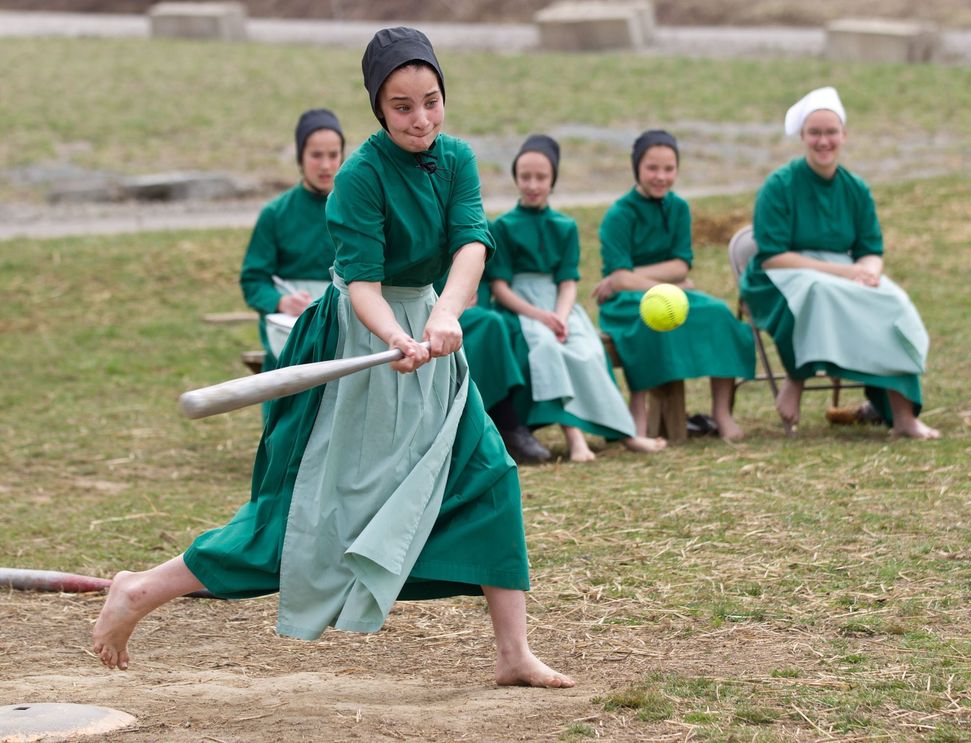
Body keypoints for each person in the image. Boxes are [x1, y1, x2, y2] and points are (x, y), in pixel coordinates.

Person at [92, 27, 574, 689]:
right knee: (306, 517)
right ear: (379, 107)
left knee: (489, 475)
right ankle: (142, 589)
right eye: (402, 106)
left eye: (431, 100)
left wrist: (440, 315)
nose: (421, 118)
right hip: (358, 334)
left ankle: (512, 651)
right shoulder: (358, 178)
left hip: (430, 332)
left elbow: (471, 246)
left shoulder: (456, 158)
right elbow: (365, 286)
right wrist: (396, 338)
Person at [741, 86, 939, 439]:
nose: (823, 141)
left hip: (843, 271)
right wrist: (844, 272)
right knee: (818, 292)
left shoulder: (855, 188)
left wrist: (868, 275)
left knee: (892, 302)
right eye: (814, 132)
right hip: (782, 275)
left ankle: (903, 414)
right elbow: (772, 256)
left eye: (830, 132)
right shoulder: (780, 185)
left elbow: (870, 248)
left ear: (844, 135)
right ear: (803, 136)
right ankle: (796, 377)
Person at [488, 134, 667, 462]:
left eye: (541, 177)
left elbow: (568, 282)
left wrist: (560, 313)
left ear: (552, 180)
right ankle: (575, 439)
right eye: (525, 177)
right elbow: (500, 287)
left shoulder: (564, 225)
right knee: (546, 347)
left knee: (587, 349)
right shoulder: (503, 226)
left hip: (559, 302)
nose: (532, 184)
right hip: (520, 307)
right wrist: (540, 316)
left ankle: (625, 434)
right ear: (515, 178)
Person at [593, 130, 756, 441]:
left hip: (673, 294)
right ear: (637, 168)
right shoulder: (619, 214)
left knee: (718, 314)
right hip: (626, 302)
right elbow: (620, 280)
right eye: (652, 168)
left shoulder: (678, 208)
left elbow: (680, 265)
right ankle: (637, 406)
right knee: (647, 322)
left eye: (669, 169)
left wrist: (641, 276)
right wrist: (662, 281)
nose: (661, 176)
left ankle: (721, 411)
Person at [240, 108, 344, 371]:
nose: (325, 165)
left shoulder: (358, 210)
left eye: (333, 155)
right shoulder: (276, 214)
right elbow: (254, 279)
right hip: (291, 333)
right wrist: (281, 302)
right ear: (300, 157)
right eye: (316, 155)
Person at [434, 273, 552, 464]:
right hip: (436, 310)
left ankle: (504, 426)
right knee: (490, 323)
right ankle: (508, 423)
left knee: (501, 325)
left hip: (475, 303)